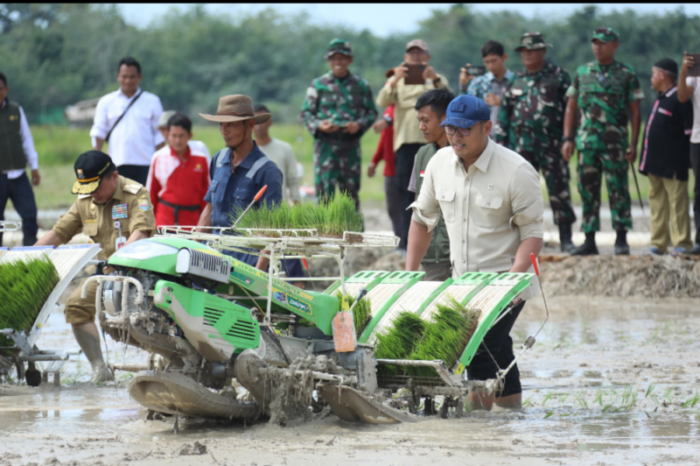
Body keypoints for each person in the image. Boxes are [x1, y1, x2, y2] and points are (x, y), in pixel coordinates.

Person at [406, 94, 544, 410]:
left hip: (509, 280)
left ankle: (476, 423)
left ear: (487, 127)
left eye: (465, 129)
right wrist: (411, 271)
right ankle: (511, 412)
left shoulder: (516, 170)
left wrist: (510, 283)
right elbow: (422, 219)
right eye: (451, 128)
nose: (456, 136)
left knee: (480, 347)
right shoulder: (438, 163)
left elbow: (532, 234)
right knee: (498, 348)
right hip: (463, 282)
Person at [34, 151, 155, 383]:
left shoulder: (135, 194)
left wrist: (118, 262)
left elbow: (140, 232)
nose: (92, 194)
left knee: (145, 322)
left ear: (114, 177)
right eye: (87, 188)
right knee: (76, 306)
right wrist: (29, 255)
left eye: (96, 187)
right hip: (104, 273)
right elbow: (58, 233)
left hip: (136, 272)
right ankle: (100, 370)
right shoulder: (85, 201)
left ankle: (166, 363)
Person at [197, 94, 306, 288]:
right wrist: (195, 249)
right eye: (221, 125)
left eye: (231, 125)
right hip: (213, 259)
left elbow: (271, 231)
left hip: (245, 264)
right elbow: (209, 210)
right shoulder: (217, 159)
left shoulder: (267, 171)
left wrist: (256, 276)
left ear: (249, 126)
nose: (224, 131)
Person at [562, 28, 644, 256]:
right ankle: (589, 240)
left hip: (615, 145)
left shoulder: (627, 74)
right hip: (587, 144)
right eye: (595, 43)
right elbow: (571, 106)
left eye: (603, 43)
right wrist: (568, 138)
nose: (598, 47)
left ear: (615, 45)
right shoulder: (582, 72)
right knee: (587, 191)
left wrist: (634, 143)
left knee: (618, 190)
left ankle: (621, 239)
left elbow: (635, 111)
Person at [495, 32, 577, 253]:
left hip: (552, 146)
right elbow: (505, 113)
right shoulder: (515, 79)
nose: (527, 54)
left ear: (543, 51)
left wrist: (570, 139)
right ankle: (520, 240)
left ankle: (566, 238)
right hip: (520, 149)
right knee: (518, 195)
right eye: (524, 51)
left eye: (532, 50)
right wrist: (501, 145)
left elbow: (572, 110)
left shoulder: (559, 77)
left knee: (559, 191)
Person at [376, 39, 450, 250]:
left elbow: (449, 98)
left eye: (420, 53)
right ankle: (407, 241)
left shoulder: (436, 78)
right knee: (405, 191)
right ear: (405, 57)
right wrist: (394, 80)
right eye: (412, 53)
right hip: (405, 142)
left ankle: (439, 239)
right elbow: (381, 101)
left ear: (428, 57)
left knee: (436, 188)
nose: (416, 57)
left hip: (434, 142)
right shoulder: (397, 79)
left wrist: (433, 79)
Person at [300, 39, 377, 211]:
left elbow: (371, 112)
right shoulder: (318, 85)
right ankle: (323, 237)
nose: (338, 62)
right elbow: (305, 113)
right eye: (334, 58)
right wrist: (320, 125)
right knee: (324, 198)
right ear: (329, 60)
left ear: (350, 60)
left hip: (350, 147)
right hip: (325, 147)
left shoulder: (361, 86)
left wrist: (359, 125)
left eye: (342, 58)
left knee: (350, 199)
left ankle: (353, 236)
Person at [639, 59, 694, 255]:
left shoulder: (678, 100)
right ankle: (659, 242)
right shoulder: (661, 98)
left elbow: (687, 133)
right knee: (657, 204)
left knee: (677, 204)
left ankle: (682, 243)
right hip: (655, 164)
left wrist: (685, 161)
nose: (652, 79)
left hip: (673, 164)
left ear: (663, 74)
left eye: (654, 74)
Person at [90, 57, 165, 186]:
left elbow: (160, 135)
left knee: (143, 204)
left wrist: (159, 163)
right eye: (124, 76)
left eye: (132, 77)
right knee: (120, 205)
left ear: (140, 77)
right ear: (117, 76)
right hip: (117, 163)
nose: (128, 80)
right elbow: (99, 132)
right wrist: (97, 161)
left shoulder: (152, 101)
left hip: (146, 163)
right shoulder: (106, 102)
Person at [406, 88, 455, 280]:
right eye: (419, 121)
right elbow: (418, 210)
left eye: (426, 120)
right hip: (432, 257)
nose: (421, 127)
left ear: (445, 119)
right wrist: (410, 269)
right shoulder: (422, 155)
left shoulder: (467, 154)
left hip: (462, 255)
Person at [147, 113, 210, 228]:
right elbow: (150, 194)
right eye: (174, 135)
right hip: (163, 221)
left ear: (190, 136)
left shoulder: (201, 159)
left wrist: (206, 225)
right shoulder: (158, 157)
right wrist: (148, 225)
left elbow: (206, 195)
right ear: (167, 135)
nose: (177, 140)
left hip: (193, 223)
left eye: (181, 136)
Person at [0, 71, 40, 247]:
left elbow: (26, 139)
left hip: (18, 174)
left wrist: (34, 166)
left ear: (6, 89)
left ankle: (31, 251)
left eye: (0, 89)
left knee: (30, 214)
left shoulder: (16, 110)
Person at [460, 40, 514, 137]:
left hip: (511, 137)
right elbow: (465, 109)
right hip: (485, 138)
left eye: (494, 61)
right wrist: (464, 86)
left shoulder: (515, 82)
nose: (491, 66)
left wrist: (502, 103)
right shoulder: (478, 83)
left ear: (504, 57)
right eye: (487, 62)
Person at [253, 104, 301, 205]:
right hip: (253, 214)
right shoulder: (245, 152)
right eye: (255, 121)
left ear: (270, 122)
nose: (259, 125)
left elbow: (293, 181)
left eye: (262, 121)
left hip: (280, 212)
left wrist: (297, 208)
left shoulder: (285, 148)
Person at [368, 104, 402, 241]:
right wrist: (375, 161)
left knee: (408, 207)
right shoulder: (389, 109)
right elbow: (384, 138)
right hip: (390, 168)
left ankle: (408, 243)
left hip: (406, 166)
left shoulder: (408, 107)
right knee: (393, 208)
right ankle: (400, 241)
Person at [678, 52, 700, 254]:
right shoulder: (696, 70)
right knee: (699, 192)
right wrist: (684, 70)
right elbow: (682, 96)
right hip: (698, 138)